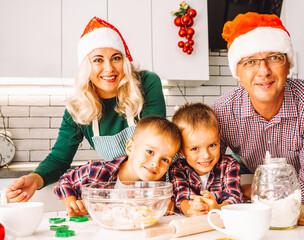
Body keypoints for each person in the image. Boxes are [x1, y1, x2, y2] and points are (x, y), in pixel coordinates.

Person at [6, 16, 166, 202]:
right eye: (98, 60)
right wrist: (34, 179)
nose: (109, 68)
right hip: (118, 193)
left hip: (155, 187)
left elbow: (156, 142)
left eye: (116, 58)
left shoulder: (146, 83)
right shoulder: (78, 106)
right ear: (85, 66)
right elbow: (59, 159)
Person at [211, 12, 304, 204]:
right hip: (253, 195)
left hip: (302, 202)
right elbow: (198, 169)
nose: (264, 71)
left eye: (274, 57)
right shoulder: (222, 112)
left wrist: (251, 191)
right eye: (250, 62)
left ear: (288, 65)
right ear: (237, 72)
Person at [54, 116, 181, 217]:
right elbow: (65, 180)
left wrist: (170, 203)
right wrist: (73, 206)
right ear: (130, 147)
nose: (155, 163)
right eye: (150, 152)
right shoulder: (99, 172)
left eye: (165, 159)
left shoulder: (164, 187)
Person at [169, 103, 243, 217]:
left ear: (219, 139)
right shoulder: (177, 169)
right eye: (194, 148)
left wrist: (217, 208)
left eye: (212, 145)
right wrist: (191, 211)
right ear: (180, 150)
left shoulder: (229, 165)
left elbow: (234, 198)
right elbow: (181, 198)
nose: (206, 155)